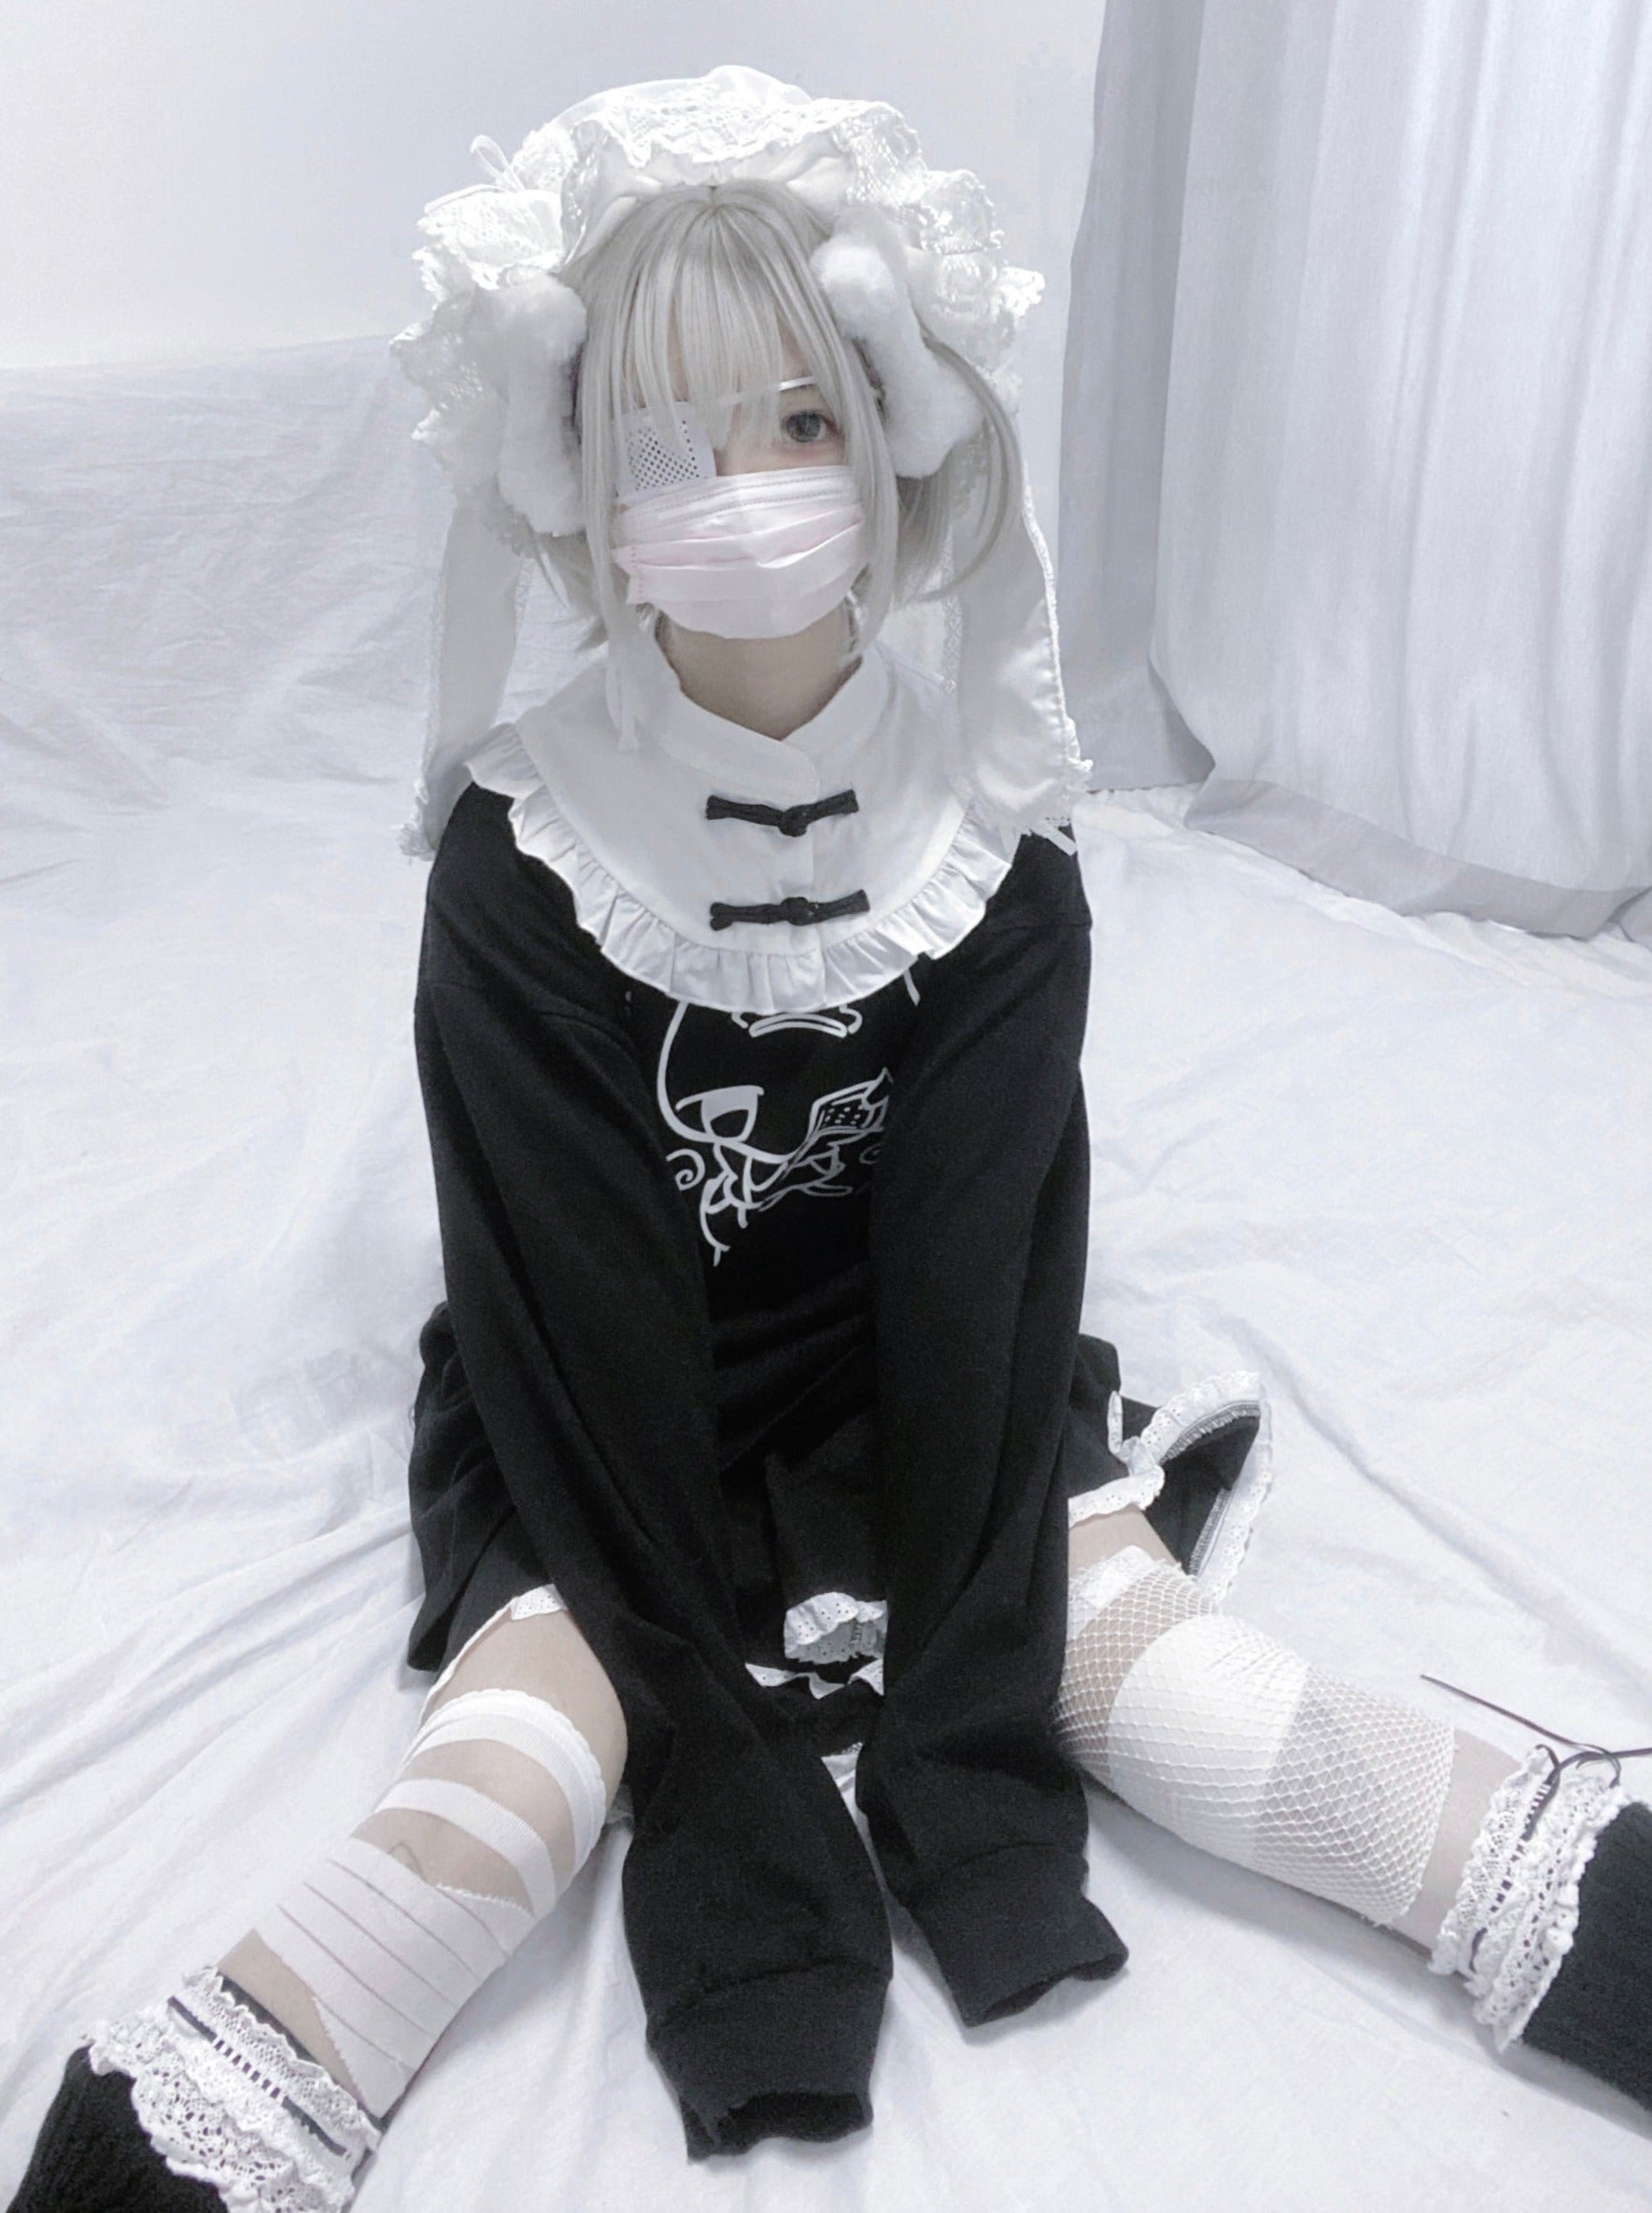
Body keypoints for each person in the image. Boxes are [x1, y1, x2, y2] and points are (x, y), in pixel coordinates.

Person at [11, 64, 1648, 2213]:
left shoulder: (992, 850)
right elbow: (566, 1281)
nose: (746, 491)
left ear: (890, 437)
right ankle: (217, 2119)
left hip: (916, 1375)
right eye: (664, 442)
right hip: (597, 1394)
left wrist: (973, 1646)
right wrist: (690, 1686)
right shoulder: (525, 865)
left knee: (1168, 1692)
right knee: (523, 1769)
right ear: (580, 487)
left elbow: (975, 1258)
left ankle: (1562, 1892)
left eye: (800, 419)